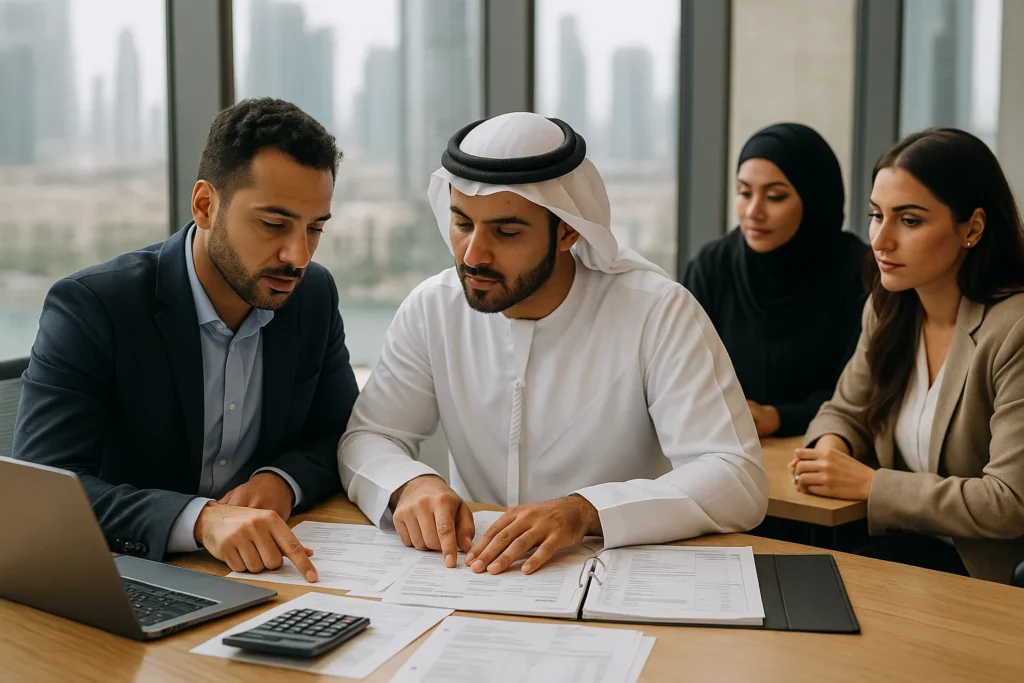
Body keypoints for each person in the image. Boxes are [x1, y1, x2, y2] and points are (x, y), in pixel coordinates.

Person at [339, 112, 768, 576]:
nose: (473, 255)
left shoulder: (656, 311)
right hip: (469, 579)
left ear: (567, 231)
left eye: (506, 232)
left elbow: (737, 477)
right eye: (462, 224)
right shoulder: (432, 308)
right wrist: (411, 483)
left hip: (612, 578)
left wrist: (585, 512)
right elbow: (370, 436)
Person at [13, 98, 359, 582]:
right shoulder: (94, 307)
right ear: (205, 206)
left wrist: (281, 481)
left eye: (315, 228)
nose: (297, 256)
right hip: (127, 574)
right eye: (274, 224)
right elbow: (47, 491)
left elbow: (338, 434)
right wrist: (201, 520)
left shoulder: (313, 295)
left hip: (261, 572)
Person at [791, 128, 1024, 583]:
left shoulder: (1013, 331)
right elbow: (843, 410)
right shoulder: (888, 307)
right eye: (877, 215)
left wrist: (870, 485)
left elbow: (1009, 501)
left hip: (981, 576)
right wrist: (831, 450)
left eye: (910, 220)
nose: (880, 240)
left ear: (972, 228)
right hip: (899, 549)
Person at [684, 123, 869, 438]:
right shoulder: (712, 266)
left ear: (814, 199)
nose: (753, 212)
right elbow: (682, 375)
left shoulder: (859, 273)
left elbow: (867, 393)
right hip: (722, 449)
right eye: (744, 193)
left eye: (775, 196)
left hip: (827, 450)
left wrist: (779, 417)